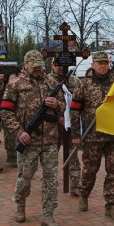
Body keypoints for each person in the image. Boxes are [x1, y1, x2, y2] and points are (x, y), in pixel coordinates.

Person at [0, 49, 65, 226]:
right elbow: (5, 111)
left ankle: (48, 215)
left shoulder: (51, 82)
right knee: (25, 177)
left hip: (50, 139)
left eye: (40, 66)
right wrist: (19, 132)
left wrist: (58, 105)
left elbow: (64, 107)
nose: (38, 69)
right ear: (26, 65)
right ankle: (20, 206)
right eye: (34, 66)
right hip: (28, 140)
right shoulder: (15, 84)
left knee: (51, 179)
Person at [70, 51, 114, 220]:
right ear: (92, 65)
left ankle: (112, 204)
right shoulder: (84, 85)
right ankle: (84, 194)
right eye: (99, 63)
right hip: (92, 136)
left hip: (112, 136)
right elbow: (74, 111)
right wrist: (76, 135)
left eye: (105, 63)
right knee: (90, 170)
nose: (102, 66)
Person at [48, 57, 82, 196]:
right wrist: (58, 118)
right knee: (50, 155)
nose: (61, 67)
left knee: (73, 154)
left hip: (71, 124)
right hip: (53, 124)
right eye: (57, 65)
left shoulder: (74, 80)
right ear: (52, 65)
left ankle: (75, 184)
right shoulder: (47, 80)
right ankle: (50, 181)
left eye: (63, 65)